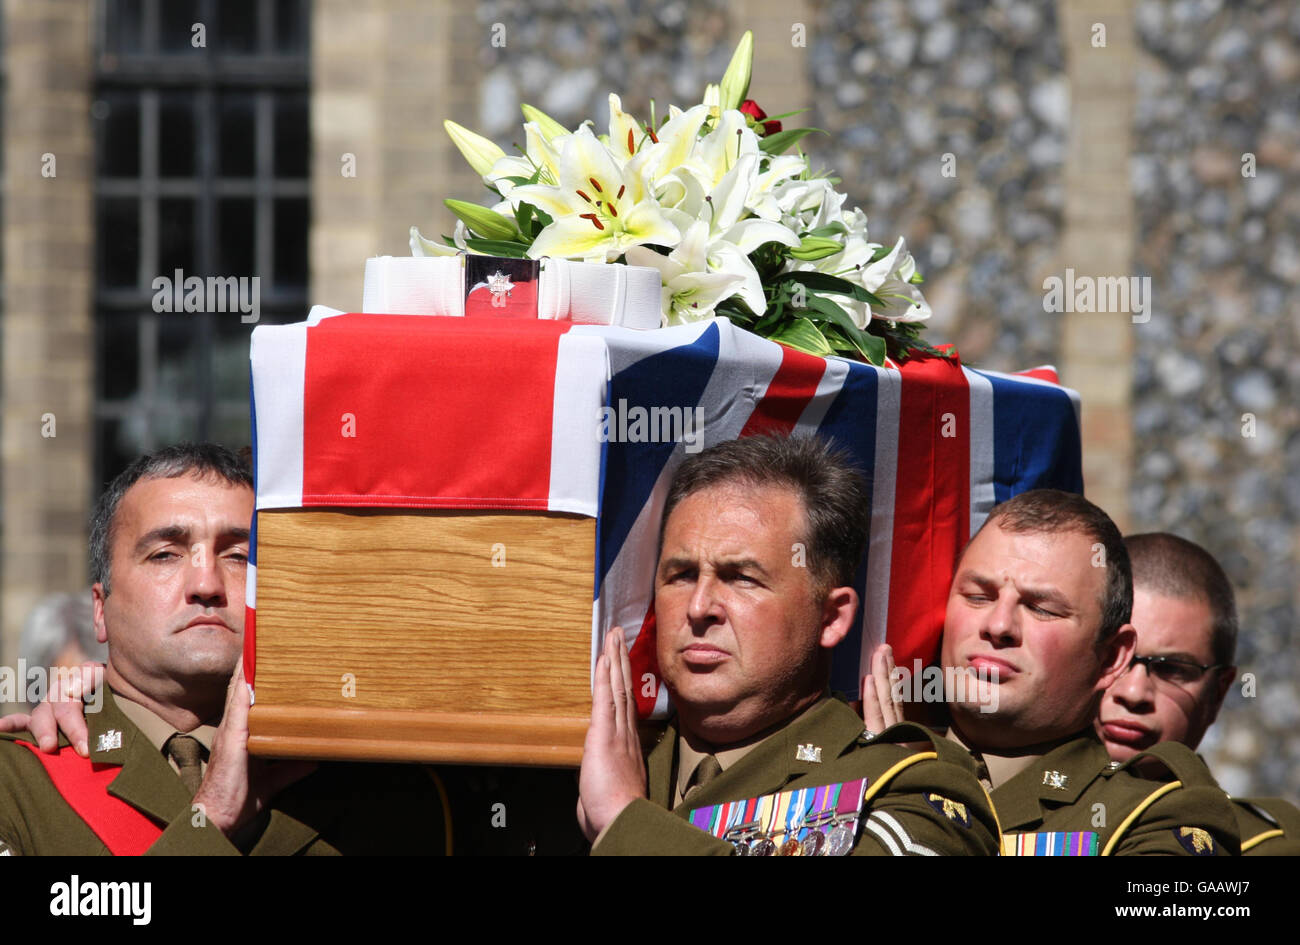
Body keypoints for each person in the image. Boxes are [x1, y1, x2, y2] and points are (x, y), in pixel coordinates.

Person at [0, 443, 443, 855]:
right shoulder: (17, 780)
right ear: (100, 609)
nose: (206, 585)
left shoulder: (379, 776)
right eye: (166, 555)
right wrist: (208, 821)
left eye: (238, 556)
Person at [578, 434, 1000, 856]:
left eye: (742, 578)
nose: (699, 607)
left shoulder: (907, 793)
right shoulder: (585, 767)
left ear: (831, 618)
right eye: (682, 574)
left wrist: (626, 823)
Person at [864, 490, 1240, 855]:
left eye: (1041, 608)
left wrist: (910, 805)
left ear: (1110, 658)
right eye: (979, 596)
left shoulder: (1157, 820)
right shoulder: (852, 768)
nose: (998, 625)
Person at [1096, 532, 1300, 855]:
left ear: (1217, 694)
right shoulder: (999, 802)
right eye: (1113, 656)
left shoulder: (1257, 848)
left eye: (1173, 669)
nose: (1134, 693)